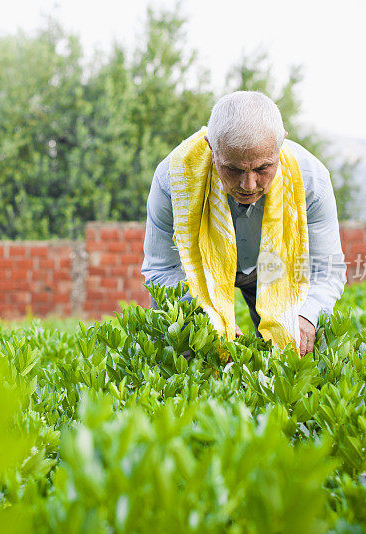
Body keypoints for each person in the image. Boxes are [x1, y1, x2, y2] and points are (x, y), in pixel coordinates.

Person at [142, 91, 345, 356]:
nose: (248, 185)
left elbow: (326, 269)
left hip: (274, 267)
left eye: (263, 168)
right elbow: (162, 268)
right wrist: (204, 317)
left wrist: (306, 317)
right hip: (199, 272)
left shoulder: (311, 180)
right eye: (234, 169)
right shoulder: (174, 178)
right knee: (186, 349)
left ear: (280, 144)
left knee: (296, 351)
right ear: (211, 148)